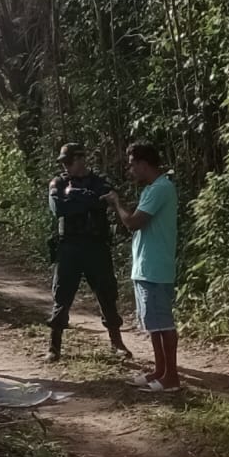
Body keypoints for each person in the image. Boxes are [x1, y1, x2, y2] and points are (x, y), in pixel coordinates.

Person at [46, 143, 132, 363]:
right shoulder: (59, 182)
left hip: (96, 246)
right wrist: (90, 201)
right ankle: (54, 345)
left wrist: (77, 199)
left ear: (81, 159)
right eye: (64, 163)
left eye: (69, 161)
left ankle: (116, 341)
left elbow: (109, 200)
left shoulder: (100, 182)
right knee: (62, 295)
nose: (65, 166)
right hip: (69, 247)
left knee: (107, 294)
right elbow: (59, 209)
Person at [108, 142, 180, 391]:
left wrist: (117, 203)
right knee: (153, 323)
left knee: (163, 323)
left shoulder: (161, 188)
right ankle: (160, 371)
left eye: (131, 165)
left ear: (143, 163)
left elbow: (133, 222)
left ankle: (172, 377)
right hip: (146, 266)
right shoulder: (152, 189)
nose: (130, 171)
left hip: (155, 267)